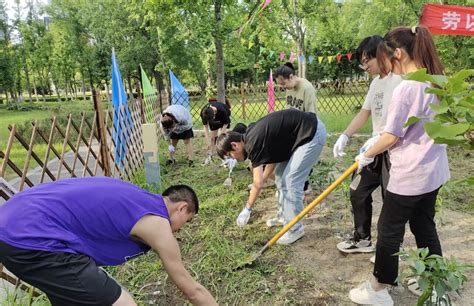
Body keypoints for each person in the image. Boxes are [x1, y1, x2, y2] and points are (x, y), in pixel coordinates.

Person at [349, 25, 449, 305]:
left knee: (390, 229)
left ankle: (379, 288)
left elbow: (392, 136)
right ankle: (435, 284)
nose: (384, 65)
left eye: (386, 57)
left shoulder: (406, 88)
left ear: (399, 53)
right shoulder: (435, 80)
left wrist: (367, 153)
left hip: (410, 174)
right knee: (424, 225)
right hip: (433, 172)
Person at [0, 177, 217, 306]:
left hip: (12, 225)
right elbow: (192, 290)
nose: (180, 230)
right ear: (181, 208)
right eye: (186, 221)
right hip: (33, 237)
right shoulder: (158, 223)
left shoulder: (137, 199)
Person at [333, 36, 403, 254]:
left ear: (381, 54)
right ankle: (362, 239)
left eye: (367, 61)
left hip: (393, 148)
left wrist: (380, 137)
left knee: (390, 199)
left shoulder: (399, 80)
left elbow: (398, 122)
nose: (364, 67)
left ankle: (392, 249)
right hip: (373, 149)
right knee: (357, 191)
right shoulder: (376, 83)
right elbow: (365, 113)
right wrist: (345, 134)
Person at [216, 109, 327, 245]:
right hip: (298, 135)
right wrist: (264, 178)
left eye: (230, 155)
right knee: (280, 176)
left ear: (234, 145)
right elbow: (273, 158)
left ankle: (295, 229)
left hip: (311, 133)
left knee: (291, 181)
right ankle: (284, 216)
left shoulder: (252, 144)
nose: (233, 159)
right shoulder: (250, 136)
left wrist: (247, 209)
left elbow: (257, 183)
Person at [276, 62, 318, 198]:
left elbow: (311, 114)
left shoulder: (307, 88)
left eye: (283, 83)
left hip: (306, 128)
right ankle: (296, 183)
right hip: (293, 128)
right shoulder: (289, 87)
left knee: (303, 156)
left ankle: (304, 186)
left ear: (291, 77)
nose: (282, 87)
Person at [200, 98, 231, 165]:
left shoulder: (222, 111)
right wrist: (207, 139)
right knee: (212, 139)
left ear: (214, 113)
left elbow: (226, 124)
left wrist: (220, 135)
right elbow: (205, 126)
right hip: (214, 121)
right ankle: (210, 155)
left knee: (222, 140)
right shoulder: (204, 112)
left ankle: (224, 157)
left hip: (224, 120)